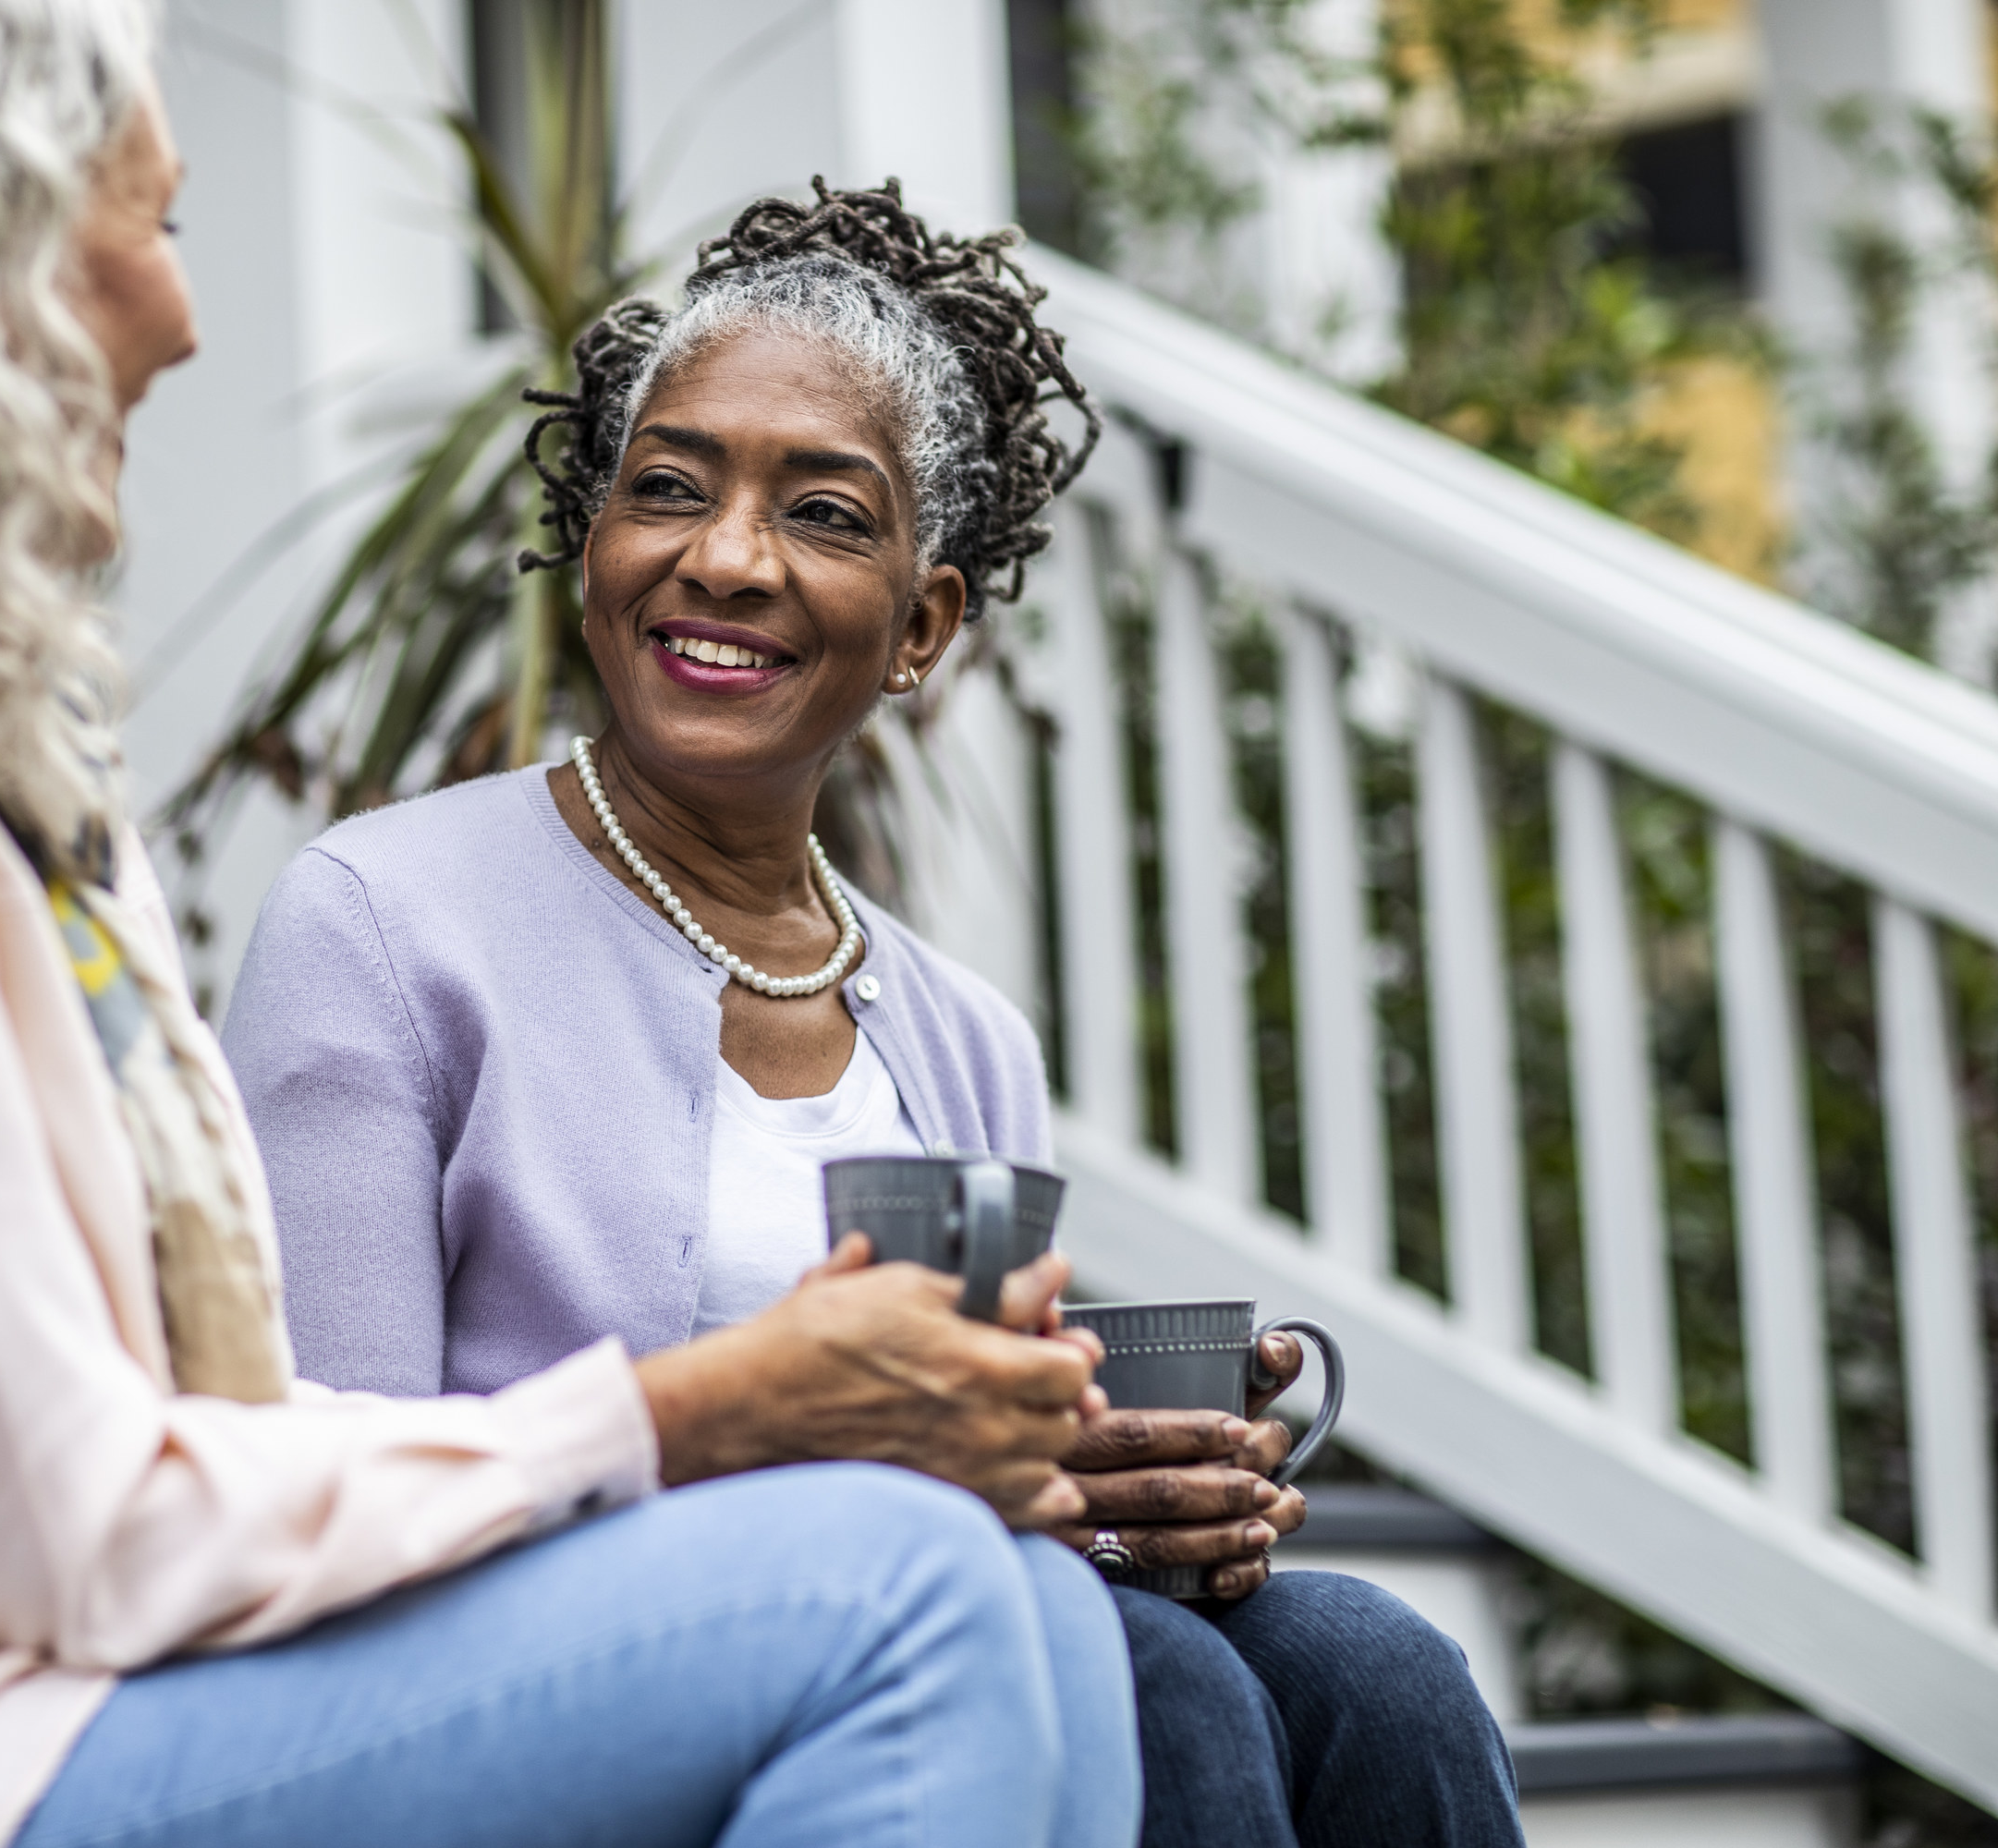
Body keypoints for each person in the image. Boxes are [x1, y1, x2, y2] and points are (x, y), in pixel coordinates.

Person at [0, 8, 1145, 1846]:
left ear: (929, 620)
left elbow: (149, 1456)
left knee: (1050, 1607)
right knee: (902, 1592)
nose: (182, 315)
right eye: (151, 225)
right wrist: (698, 1410)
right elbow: (70, 1529)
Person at [222, 182, 1527, 1848]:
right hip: (532, 1682)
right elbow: (332, 1494)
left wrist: (1106, 1489)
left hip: (922, 1626)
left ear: (924, 624)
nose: (726, 557)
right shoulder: (383, 925)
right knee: (1151, 1684)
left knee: (1373, 1661)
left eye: (825, 516)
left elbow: (966, 1492)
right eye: (668, 489)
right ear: (596, 548)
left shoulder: (963, 1034)